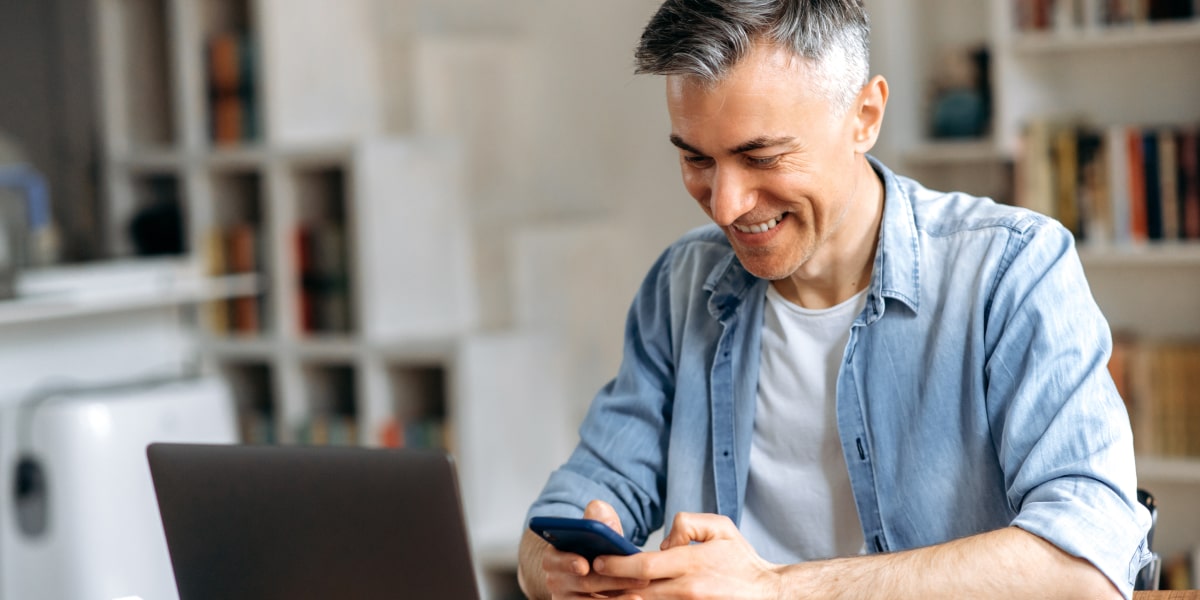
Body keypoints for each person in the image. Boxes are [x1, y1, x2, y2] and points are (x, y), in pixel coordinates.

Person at [518, 0, 1153, 598]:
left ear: (864, 117)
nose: (726, 205)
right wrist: (562, 563)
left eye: (760, 156)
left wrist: (776, 588)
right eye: (696, 159)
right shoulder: (681, 285)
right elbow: (552, 526)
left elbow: (1088, 565)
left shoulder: (1011, 269)